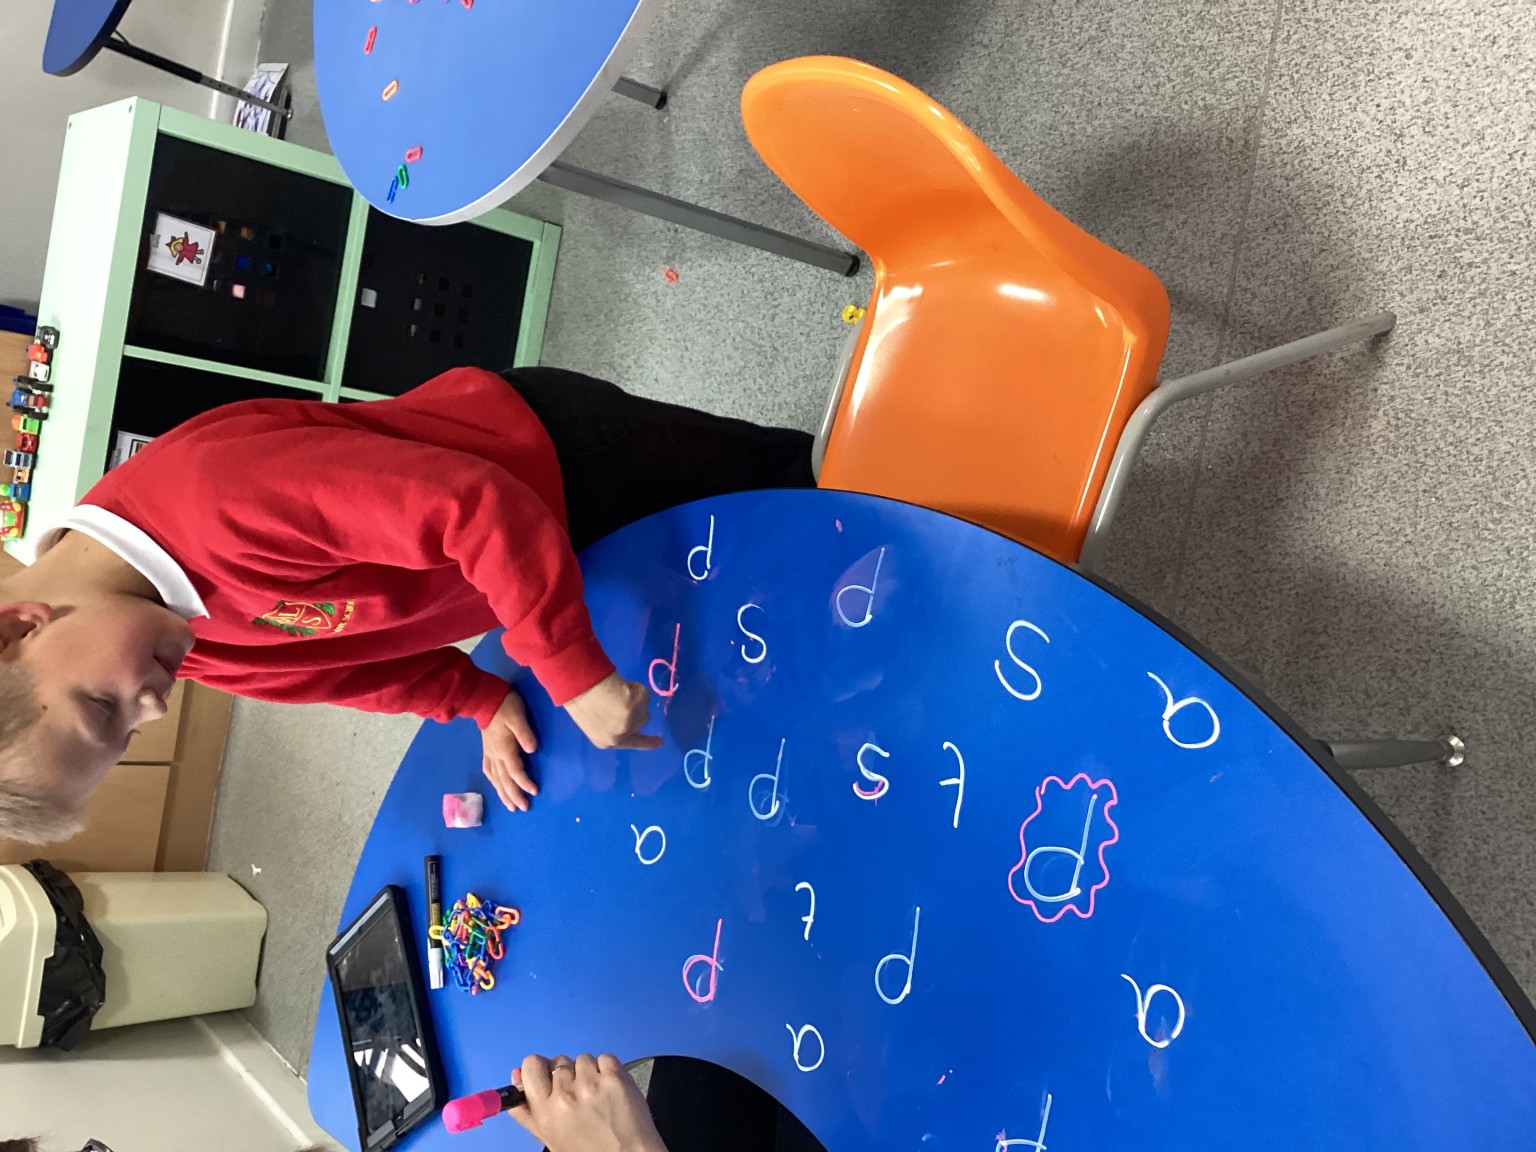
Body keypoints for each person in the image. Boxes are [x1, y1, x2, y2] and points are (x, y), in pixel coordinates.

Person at [0, 367, 814, 842]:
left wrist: (569, 671)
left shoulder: (211, 500)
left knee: (789, 496)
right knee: (741, 590)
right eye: (127, 734)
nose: (149, 709)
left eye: (101, 706)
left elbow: (476, 508)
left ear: (18, 627)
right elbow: (342, 673)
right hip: (525, 568)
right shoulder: (158, 634)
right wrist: (476, 698)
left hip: (557, 460)